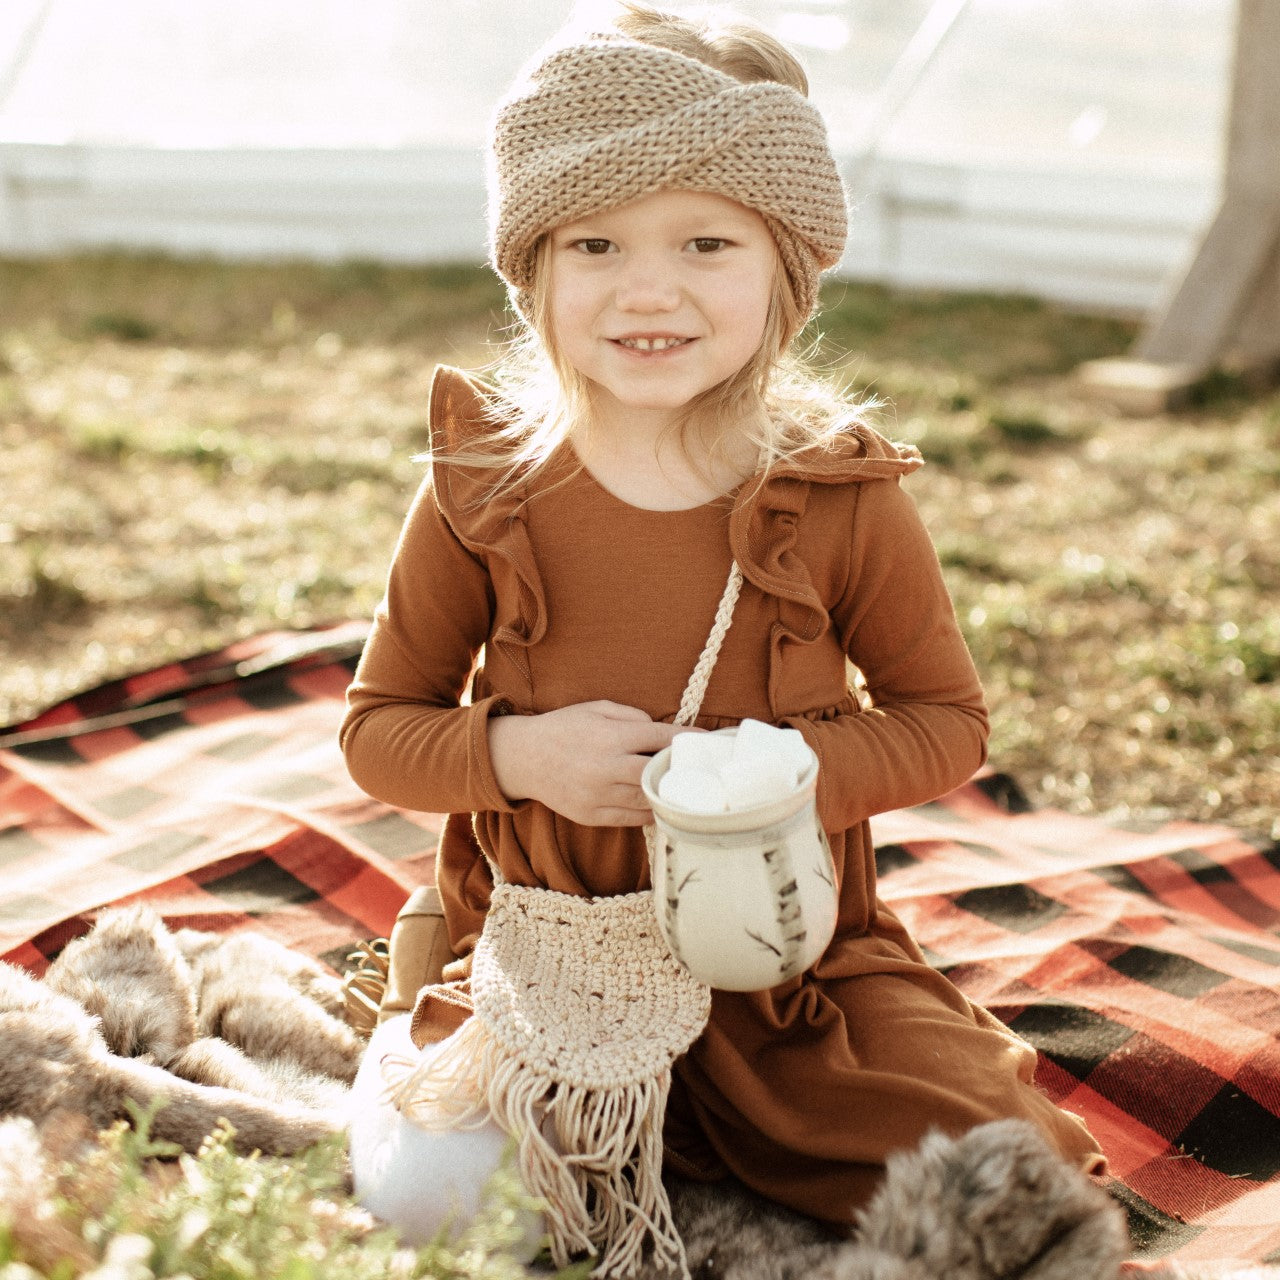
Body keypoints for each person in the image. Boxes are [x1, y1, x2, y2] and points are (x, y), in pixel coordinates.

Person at [340, 0, 1105, 1266]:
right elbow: (378, 730)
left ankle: (720, 1118)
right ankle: (421, 980)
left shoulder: (839, 495)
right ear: (532, 271)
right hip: (552, 939)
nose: (648, 289)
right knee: (439, 1198)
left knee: (999, 1172)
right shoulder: (484, 487)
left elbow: (945, 721)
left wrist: (784, 773)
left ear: (782, 273)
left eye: (705, 242)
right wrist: (521, 756)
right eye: (593, 242)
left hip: (790, 962)